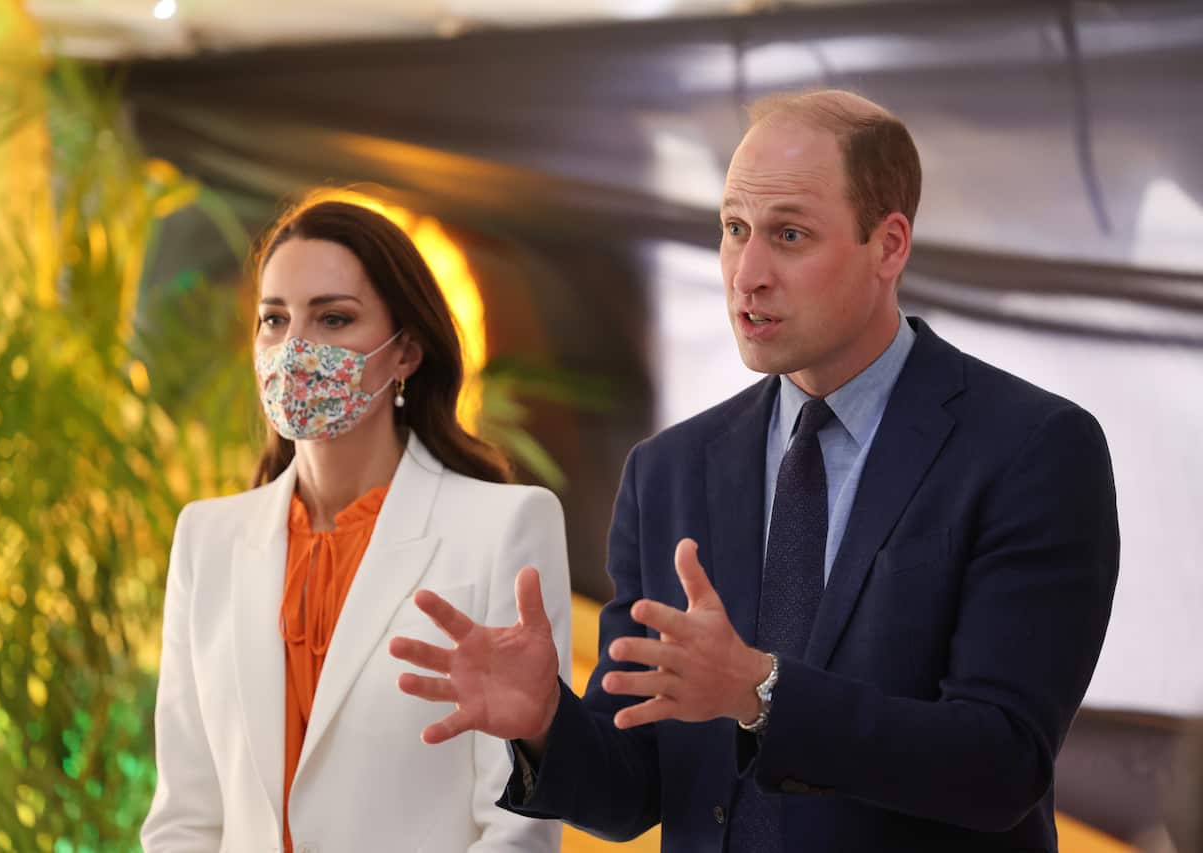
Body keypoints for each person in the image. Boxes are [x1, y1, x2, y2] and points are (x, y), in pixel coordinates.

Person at [389, 89, 1120, 851]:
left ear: (890, 245)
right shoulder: (668, 470)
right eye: (734, 230)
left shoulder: (1031, 448)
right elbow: (634, 788)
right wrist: (546, 721)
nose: (747, 274)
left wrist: (760, 692)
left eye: (790, 234)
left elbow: (1000, 763)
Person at [141, 196, 571, 852]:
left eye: (333, 317)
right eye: (274, 319)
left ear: (407, 352)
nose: (296, 349)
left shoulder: (505, 525)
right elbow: (185, 816)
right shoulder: (207, 539)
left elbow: (517, 826)